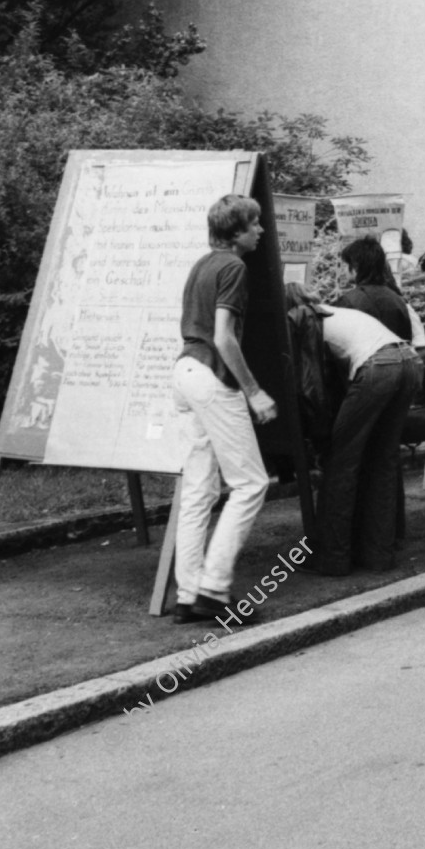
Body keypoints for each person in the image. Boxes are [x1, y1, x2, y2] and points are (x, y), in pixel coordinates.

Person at [171, 194, 276, 624]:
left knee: (199, 489)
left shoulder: (202, 264)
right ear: (235, 232)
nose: (261, 230)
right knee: (251, 483)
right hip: (213, 374)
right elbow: (224, 336)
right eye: (254, 224)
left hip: (185, 370)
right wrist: (254, 392)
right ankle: (214, 591)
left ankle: (188, 592)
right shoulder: (234, 267)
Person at [313, 293, 424, 573]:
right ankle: (378, 556)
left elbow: (310, 379)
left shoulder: (305, 320)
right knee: (383, 461)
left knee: (340, 462)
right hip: (408, 360)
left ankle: (333, 559)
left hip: (378, 366)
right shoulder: (335, 312)